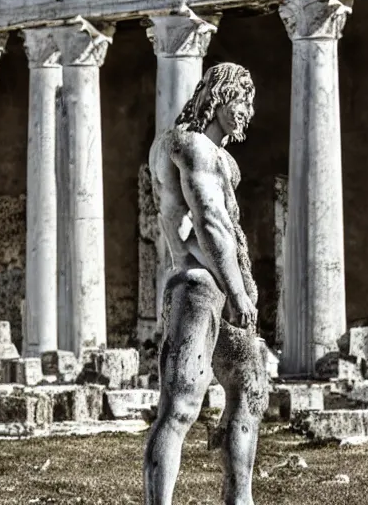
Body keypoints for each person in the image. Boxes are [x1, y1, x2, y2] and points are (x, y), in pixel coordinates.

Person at [144, 62, 268, 505]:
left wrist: (241, 291)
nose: (247, 113)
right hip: (199, 285)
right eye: (241, 100)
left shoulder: (221, 158)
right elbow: (208, 222)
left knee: (251, 392)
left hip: (230, 289)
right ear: (217, 97)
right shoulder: (188, 145)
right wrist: (236, 293)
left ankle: (240, 499)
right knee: (180, 407)